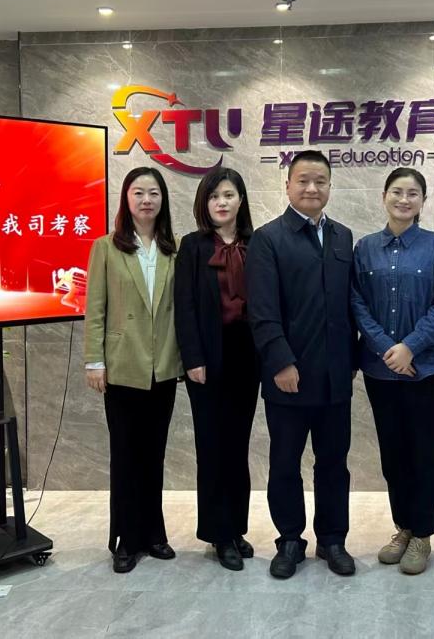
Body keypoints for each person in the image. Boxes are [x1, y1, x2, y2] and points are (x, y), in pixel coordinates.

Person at [246, 150, 357, 579]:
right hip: (287, 377)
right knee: (285, 463)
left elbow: (350, 305)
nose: (312, 188)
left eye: (320, 181)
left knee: (334, 464)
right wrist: (280, 362)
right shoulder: (268, 238)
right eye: (304, 181)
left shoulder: (343, 236)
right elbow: (262, 309)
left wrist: (351, 360)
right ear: (288, 185)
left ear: (330, 186)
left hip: (335, 378)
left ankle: (333, 539)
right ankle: (290, 539)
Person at [350, 167, 434, 576]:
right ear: (384, 196)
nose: (404, 199)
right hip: (381, 372)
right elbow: (356, 302)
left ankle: (423, 535)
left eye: (413, 193)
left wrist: (410, 346)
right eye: (397, 191)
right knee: (393, 455)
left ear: (422, 201)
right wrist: (386, 348)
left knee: (424, 454)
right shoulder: (365, 248)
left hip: (426, 370)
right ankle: (404, 527)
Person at [84, 166, 184, 573]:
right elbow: (95, 309)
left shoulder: (173, 248)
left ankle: (154, 533)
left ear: (163, 200)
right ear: (126, 199)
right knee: (125, 454)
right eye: (138, 192)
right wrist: (94, 360)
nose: (146, 200)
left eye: (154, 193)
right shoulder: (106, 248)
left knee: (154, 454)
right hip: (122, 365)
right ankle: (126, 539)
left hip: (163, 366)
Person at [174, 168, 259, 571]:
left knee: (238, 446)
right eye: (213, 197)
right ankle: (218, 533)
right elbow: (184, 306)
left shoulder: (256, 244)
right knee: (212, 447)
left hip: (248, 356)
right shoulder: (192, 246)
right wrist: (192, 358)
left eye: (228, 195)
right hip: (207, 357)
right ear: (204, 204)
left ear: (240, 199)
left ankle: (236, 528)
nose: (221, 203)